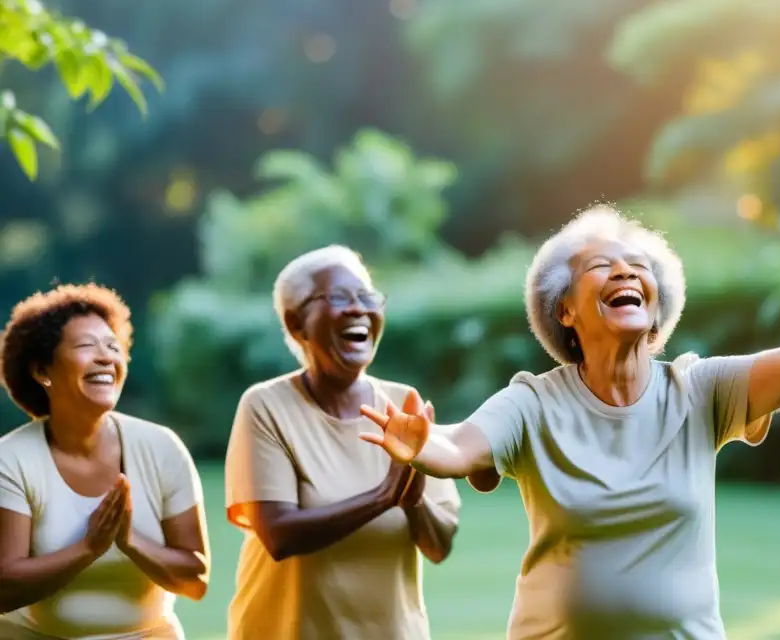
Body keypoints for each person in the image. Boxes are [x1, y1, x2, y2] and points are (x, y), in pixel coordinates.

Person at [359, 203, 780, 640]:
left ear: (657, 302)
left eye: (638, 265)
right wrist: (422, 446)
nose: (627, 271)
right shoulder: (533, 402)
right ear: (566, 311)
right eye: (601, 266)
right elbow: (462, 446)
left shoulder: (698, 390)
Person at [224, 245, 462, 640]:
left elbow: (438, 546)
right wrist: (384, 496)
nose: (358, 309)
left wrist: (413, 499)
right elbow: (280, 535)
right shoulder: (265, 406)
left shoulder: (405, 406)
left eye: (367, 297)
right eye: (338, 298)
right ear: (296, 322)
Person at [0, 283, 210, 640]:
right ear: (41, 371)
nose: (106, 357)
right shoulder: (12, 460)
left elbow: (196, 580)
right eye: (86, 346)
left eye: (114, 346)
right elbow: (4, 587)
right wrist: (87, 548)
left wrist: (132, 543)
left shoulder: (161, 447)